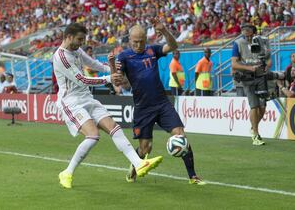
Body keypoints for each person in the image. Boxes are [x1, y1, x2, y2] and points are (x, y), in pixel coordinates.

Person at [52, 23, 163, 189]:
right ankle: (67, 172)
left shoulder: (76, 50)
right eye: (79, 39)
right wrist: (109, 79)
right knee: (93, 135)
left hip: (86, 98)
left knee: (114, 127)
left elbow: (95, 64)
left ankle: (138, 164)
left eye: (83, 39)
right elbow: (82, 79)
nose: (81, 43)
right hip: (71, 102)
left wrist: (116, 71)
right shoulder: (61, 57)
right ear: (68, 37)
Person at [116, 20, 205, 185]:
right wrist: (118, 79)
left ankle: (192, 176)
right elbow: (118, 78)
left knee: (180, 135)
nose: (138, 44)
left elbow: (172, 46)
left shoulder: (152, 50)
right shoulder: (124, 56)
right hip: (143, 107)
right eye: (135, 41)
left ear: (146, 39)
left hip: (162, 103)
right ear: (129, 40)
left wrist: (164, 31)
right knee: (145, 148)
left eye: (142, 41)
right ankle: (134, 166)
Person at [231, 23, 272, 146]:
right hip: (247, 78)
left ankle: (253, 127)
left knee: (263, 107)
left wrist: (267, 66)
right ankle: (256, 134)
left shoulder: (261, 41)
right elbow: (234, 64)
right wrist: (250, 68)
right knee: (254, 106)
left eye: (247, 29)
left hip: (261, 77)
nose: (244, 31)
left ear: (253, 31)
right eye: (243, 29)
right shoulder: (238, 43)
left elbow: (269, 57)